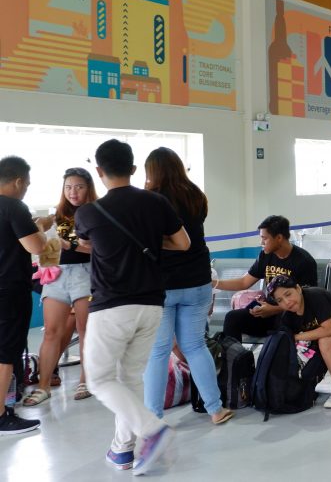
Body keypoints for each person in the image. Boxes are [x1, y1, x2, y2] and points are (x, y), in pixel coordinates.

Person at [73, 140, 191, 474]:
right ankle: (122, 449)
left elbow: (86, 243)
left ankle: (151, 429)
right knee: (129, 377)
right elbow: (183, 243)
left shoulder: (89, 212)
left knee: (98, 380)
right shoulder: (156, 202)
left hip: (111, 306)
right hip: (152, 303)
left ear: (99, 171)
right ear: (133, 168)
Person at [138, 148, 233, 426]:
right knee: (195, 345)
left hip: (163, 286)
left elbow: (150, 239)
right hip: (198, 281)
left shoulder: (151, 201)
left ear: (151, 172)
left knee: (159, 350)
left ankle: (152, 417)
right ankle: (215, 409)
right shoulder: (196, 196)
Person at [24, 167, 97, 407]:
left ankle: (85, 381)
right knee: (52, 331)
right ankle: (43, 386)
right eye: (68, 187)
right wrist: (39, 226)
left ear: (89, 188)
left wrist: (70, 246)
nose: (73, 192)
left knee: (86, 330)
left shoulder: (96, 212)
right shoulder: (58, 214)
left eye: (79, 187)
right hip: (58, 274)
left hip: (87, 274)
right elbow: (39, 234)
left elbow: (100, 249)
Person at [265, 275, 331, 409]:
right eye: (280, 300)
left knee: (325, 341)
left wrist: (297, 337)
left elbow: (329, 330)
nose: (287, 302)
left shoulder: (315, 296)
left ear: (298, 288)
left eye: (288, 294)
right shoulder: (288, 316)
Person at [0, 156, 48, 436]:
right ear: (18, 181)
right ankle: (2, 417)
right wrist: (39, 227)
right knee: (6, 353)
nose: (26, 190)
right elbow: (38, 246)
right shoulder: (14, 207)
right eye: (26, 185)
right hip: (8, 289)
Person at [215, 215, 318, 341]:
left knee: (282, 327)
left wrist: (274, 310)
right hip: (268, 312)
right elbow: (244, 282)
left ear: (279, 238)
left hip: (292, 315)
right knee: (233, 318)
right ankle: (235, 358)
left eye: (265, 238)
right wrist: (213, 283)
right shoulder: (265, 256)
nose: (261, 243)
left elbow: (305, 301)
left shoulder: (304, 261)